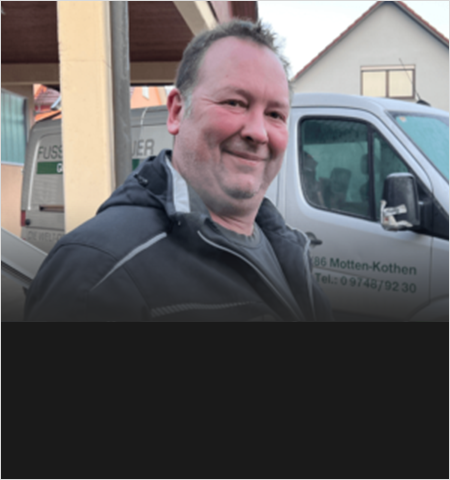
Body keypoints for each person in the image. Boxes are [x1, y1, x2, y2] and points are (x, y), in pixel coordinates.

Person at [25, 20, 333, 322]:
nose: (258, 132)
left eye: (275, 114)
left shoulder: (287, 247)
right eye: (235, 103)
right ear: (176, 111)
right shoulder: (96, 271)